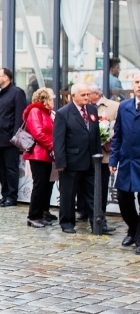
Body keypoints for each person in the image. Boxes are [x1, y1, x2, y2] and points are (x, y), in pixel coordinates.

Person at [53, 82, 101, 234]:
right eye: (83, 95)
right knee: (68, 194)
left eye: (88, 94)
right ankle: (67, 222)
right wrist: (60, 162)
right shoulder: (63, 113)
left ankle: (97, 222)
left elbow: (96, 136)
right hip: (71, 161)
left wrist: (97, 157)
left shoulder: (92, 110)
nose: (87, 97)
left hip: (90, 160)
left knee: (93, 194)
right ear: (73, 96)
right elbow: (58, 140)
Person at [109, 73, 140, 254]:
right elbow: (117, 135)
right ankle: (133, 228)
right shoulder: (125, 106)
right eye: (137, 82)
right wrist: (113, 159)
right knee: (123, 199)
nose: (139, 86)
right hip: (127, 162)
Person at [0, 68, 27, 207]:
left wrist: (16, 136)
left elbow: (20, 117)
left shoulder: (17, 92)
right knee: (1, 168)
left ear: (6, 78)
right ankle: (4, 195)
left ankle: (12, 196)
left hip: (10, 138)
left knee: (11, 168)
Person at [22, 88, 56, 228]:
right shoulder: (36, 111)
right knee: (39, 185)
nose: (53, 101)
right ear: (46, 99)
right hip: (39, 154)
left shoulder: (45, 112)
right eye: (52, 98)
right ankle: (33, 216)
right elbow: (38, 132)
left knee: (46, 185)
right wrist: (52, 146)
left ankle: (42, 212)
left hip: (45, 154)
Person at [90, 82, 119, 232]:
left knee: (100, 188)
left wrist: (109, 140)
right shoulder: (86, 108)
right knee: (87, 188)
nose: (87, 97)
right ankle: (88, 215)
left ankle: (101, 219)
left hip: (104, 155)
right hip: (87, 156)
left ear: (97, 94)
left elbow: (119, 129)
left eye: (89, 94)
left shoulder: (114, 106)